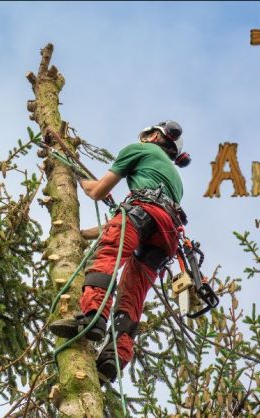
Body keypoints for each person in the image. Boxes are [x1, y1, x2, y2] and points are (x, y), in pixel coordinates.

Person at [49, 120, 191, 383]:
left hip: (141, 212)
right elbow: (127, 225)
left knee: (106, 257)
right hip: (166, 235)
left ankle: (92, 318)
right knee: (132, 293)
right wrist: (82, 234)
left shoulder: (140, 149)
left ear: (152, 136)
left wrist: (77, 174)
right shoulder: (175, 181)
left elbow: (97, 191)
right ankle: (115, 357)